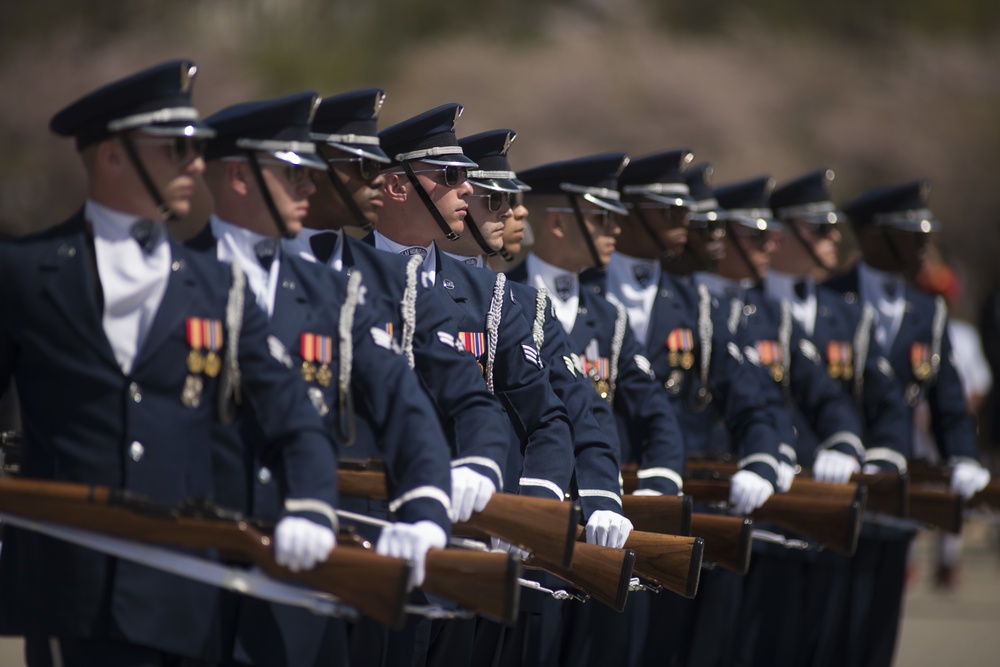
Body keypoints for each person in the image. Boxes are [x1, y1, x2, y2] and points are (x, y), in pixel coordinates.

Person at [0, 60, 338, 666]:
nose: (195, 166)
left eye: (197, 150)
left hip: (182, 591)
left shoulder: (218, 287)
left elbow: (292, 417)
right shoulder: (25, 272)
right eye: (174, 150)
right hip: (64, 583)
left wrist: (311, 500)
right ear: (112, 156)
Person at [190, 90, 455, 667]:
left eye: (314, 173)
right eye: (294, 173)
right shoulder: (176, 274)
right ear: (239, 176)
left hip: (307, 563)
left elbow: (402, 399)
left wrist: (427, 499)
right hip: (186, 568)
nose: (309, 187)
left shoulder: (331, 294)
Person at [513, 149, 689, 667]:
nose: (616, 229)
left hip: (599, 525)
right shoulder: (507, 296)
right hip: (530, 518)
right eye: (601, 218)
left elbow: (655, 411)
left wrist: (658, 484)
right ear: (560, 223)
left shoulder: (606, 316)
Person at [824, 179, 992, 667]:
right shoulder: (828, 297)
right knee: (821, 630)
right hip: (835, 488)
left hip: (898, 490)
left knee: (877, 633)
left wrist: (963, 456)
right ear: (874, 237)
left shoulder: (928, 311)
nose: (924, 245)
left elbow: (948, 400)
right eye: (910, 233)